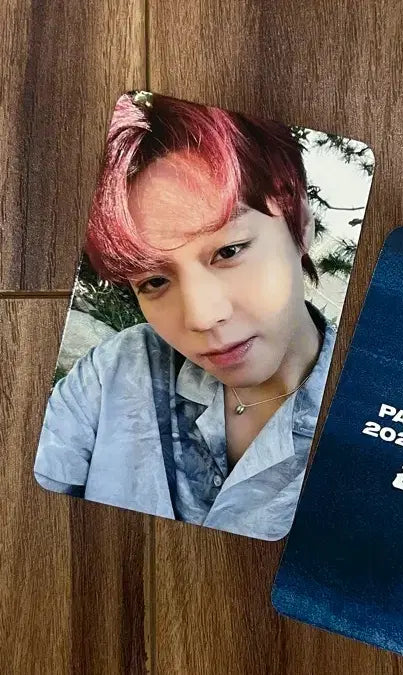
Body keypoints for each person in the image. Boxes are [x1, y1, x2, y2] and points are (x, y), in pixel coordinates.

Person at [33, 91, 336, 541]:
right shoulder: (117, 371)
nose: (202, 317)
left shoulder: (377, 418)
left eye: (229, 251)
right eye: (154, 281)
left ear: (301, 225)